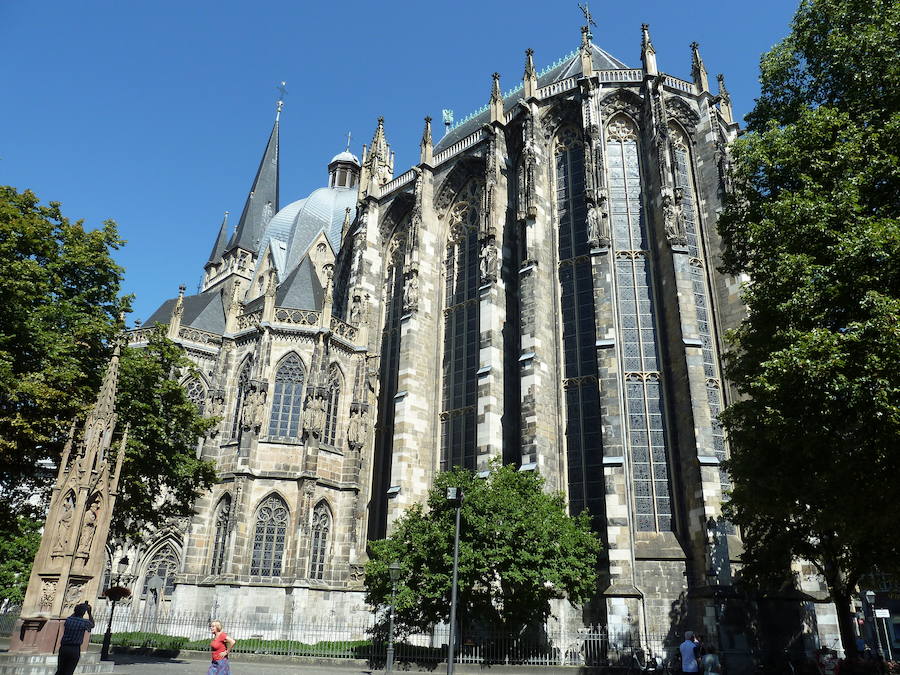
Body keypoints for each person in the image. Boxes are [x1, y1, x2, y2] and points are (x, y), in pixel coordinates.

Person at [55, 602, 94, 675]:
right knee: (69, 671)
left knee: (60, 670)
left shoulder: (69, 620)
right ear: (83, 613)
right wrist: (89, 613)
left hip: (64, 647)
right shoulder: (84, 622)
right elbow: (92, 625)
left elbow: (72, 616)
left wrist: (78, 609)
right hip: (74, 649)